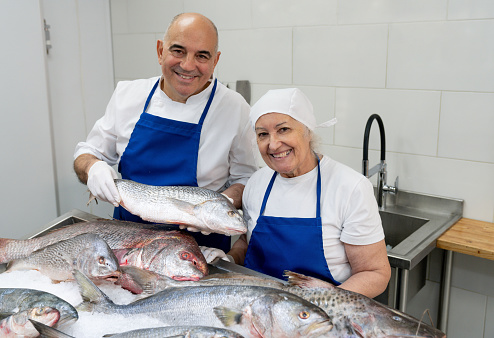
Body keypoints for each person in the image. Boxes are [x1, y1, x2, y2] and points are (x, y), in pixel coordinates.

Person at [73, 13, 257, 253]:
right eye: (178, 51)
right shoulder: (128, 95)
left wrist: (220, 206)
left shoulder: (235, 107)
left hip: (199, 249)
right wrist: (92, 169)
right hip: (126, 243)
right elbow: (87, 153)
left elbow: (245, 178)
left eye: (202, 55)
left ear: (215, 61)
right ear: (160, 51)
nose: (188, 65)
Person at [207, 88, 391, 298]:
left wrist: (322, 307)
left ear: (307, 130)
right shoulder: (257, 183)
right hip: (259, 311)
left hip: (322, 319)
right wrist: (227, 262)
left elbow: (375, 273)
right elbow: (247, 243)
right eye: (263, 134)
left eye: (283, 129)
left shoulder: (349, 187)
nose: (274, 144)